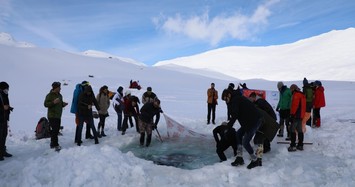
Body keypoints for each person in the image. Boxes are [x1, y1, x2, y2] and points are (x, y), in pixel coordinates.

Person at [225, 91, 263, 169]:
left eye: (226, 99)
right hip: (249, 121)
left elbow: (235, 114)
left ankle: (255, 160)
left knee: (248, 142)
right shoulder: (236, 99)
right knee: (238, 134)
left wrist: (229, 125)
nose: (226, 101)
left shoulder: (236, 100)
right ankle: (239, 157)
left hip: (257, 121)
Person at [44, 82, 68, 151]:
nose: (60, 88)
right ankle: (55, 144)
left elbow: (59, 104)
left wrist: (63, 104)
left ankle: (52, 143)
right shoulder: (50, 95)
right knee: (55, 130)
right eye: (59, 87)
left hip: (58, 115)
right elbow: (45, 104)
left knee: (56, 130)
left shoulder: (60, 95)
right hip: (52, 115)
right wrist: (53, 102)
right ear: (55, 88)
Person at [288, 84, 306, 151]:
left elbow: (294, 106)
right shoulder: (302, 95)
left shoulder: (296, 95)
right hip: (301, 116)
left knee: (292, 130)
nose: (290, 91)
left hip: (296, 115)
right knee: (299, 130)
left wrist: (292, 114)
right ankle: (300, 145)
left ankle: (293, 146)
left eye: (291, 89)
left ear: (293, 89)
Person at [0, 82, 13, 159]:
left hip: (4, 119)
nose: (7, 90)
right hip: (0, 119)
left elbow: (5, 105)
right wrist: (3, 108)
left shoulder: (5, 95)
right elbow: (2, 106)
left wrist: (9, 108)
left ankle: (2, 151)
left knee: (4, 135)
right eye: (6, 88)